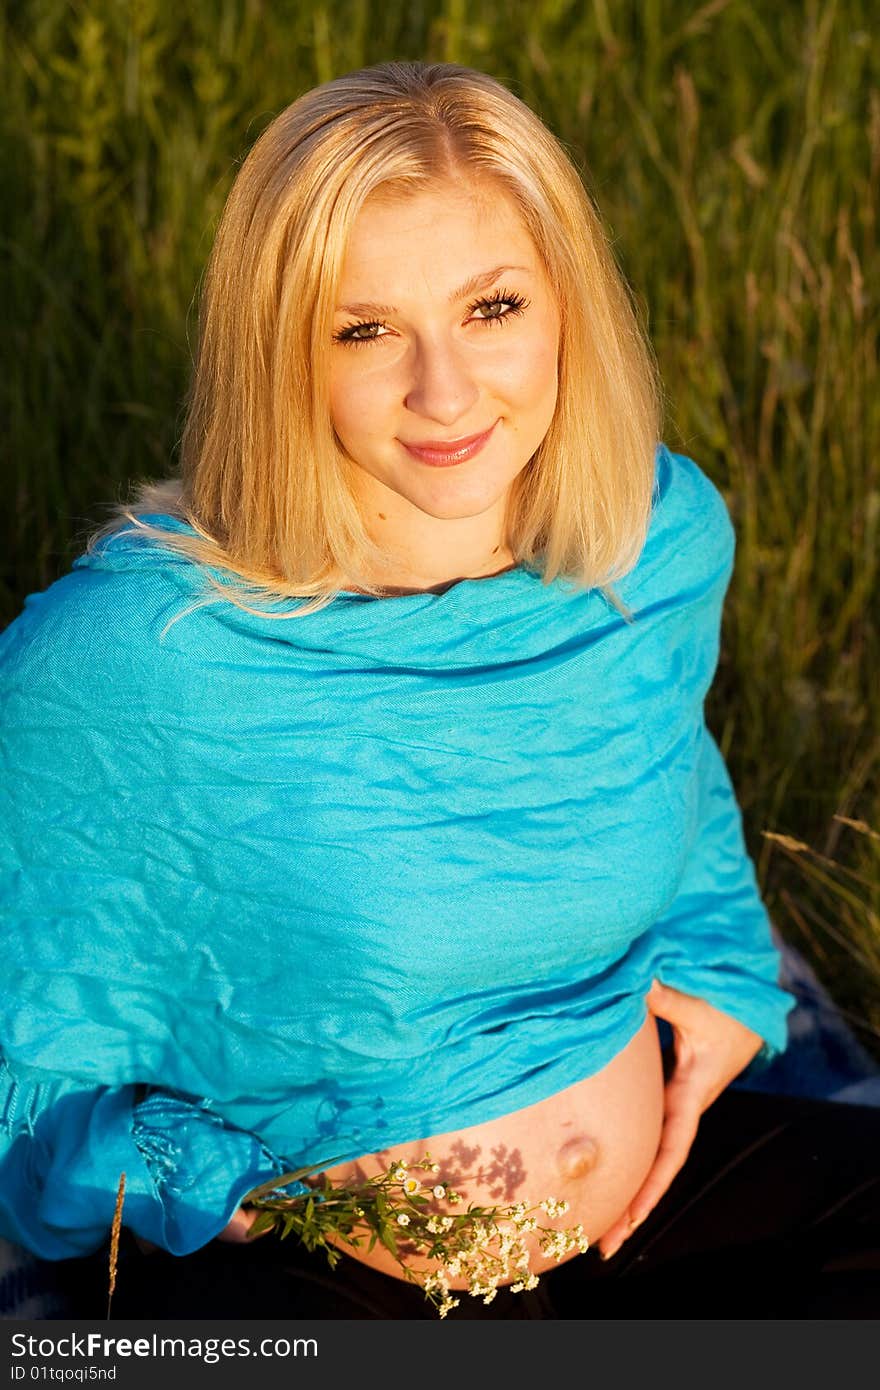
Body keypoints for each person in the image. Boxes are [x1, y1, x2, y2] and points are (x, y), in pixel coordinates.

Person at [1, 59, 878, 1322]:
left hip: (654, 1208)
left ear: (567, 306)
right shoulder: (133, 661)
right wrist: (229, 1187)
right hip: (330, 1270)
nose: (447, 393)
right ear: (280, 355)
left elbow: (668, 765)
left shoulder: (655, 541)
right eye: (365, 330)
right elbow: (26, 1059)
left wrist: (732, 982)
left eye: (492, 307)